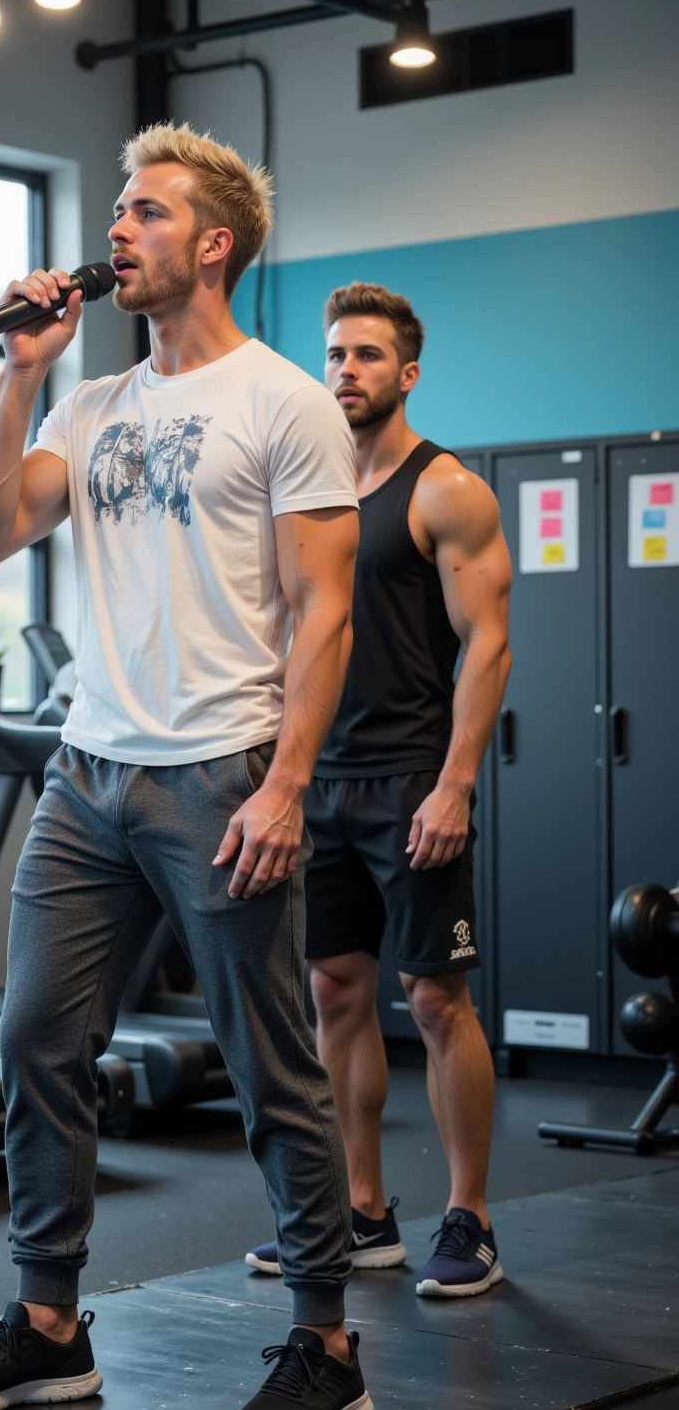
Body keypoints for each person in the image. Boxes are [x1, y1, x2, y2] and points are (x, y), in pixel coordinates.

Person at [0, 125, 370, 1410]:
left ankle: (329, 1342)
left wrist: (286, 787)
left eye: (145, 212)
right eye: (114, 209)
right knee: (36, 1046)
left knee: (275, 1067)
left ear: (211, 243)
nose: (115, 230)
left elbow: (323, 614)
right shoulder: (88, 405)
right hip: (88, 776)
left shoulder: (284, 401)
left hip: (223, 776)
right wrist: (20, 375)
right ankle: (48, 1329)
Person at [247, 282, 512, 1297]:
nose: (343, 371)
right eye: (332, 355)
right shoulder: (303, 495)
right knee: (332, 990)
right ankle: (360, 1214)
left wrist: (453, 787)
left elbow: (487, 645)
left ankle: (470, 1216)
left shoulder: (446, 490)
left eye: (364, 356)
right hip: (315, 781)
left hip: (410, 778)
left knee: (436, 998)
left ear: (405, 374)